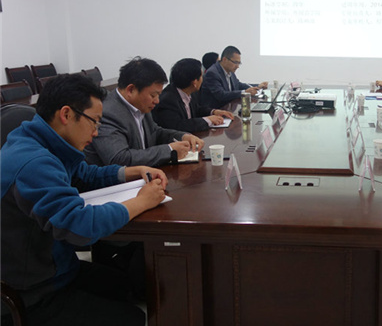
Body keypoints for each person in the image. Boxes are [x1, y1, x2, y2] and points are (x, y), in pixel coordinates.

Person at [1, 74, 168, 326]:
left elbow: (84, 175)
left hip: (57, 266)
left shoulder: (46, 141)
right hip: (32, 290)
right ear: (66, 114)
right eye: (94, 121)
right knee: (133, 318)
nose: (96, 131)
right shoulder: (32, 162)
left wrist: (130, 172)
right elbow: (79, 226)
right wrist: (142, 201)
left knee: (131, 286)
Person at [85, 56, 204, 167]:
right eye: (153, 95)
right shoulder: (107, 113)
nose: (157, 101)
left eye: (158, 95)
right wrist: (169, 150)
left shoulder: (141, 105)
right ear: (131, 90)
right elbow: (120, 158)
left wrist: (183, 136)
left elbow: (155, 132)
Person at [152, 58, 234, 133]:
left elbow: (197, 109)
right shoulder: (168, 100)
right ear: (194, 82)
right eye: (201, 76)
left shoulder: (189, 91)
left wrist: (214, 112)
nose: (202, 79)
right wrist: (207, 120)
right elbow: (178, 126)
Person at [199, 45, 268, 109]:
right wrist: (244, 92)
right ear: (224, 59)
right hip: (215, 111)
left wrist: (258, 86)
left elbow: (238, 84)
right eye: (235, 62)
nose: (237, 66)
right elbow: (221, 95)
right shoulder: (212, 73)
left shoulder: (229, 70)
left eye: (239, 63)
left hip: (228, 109)